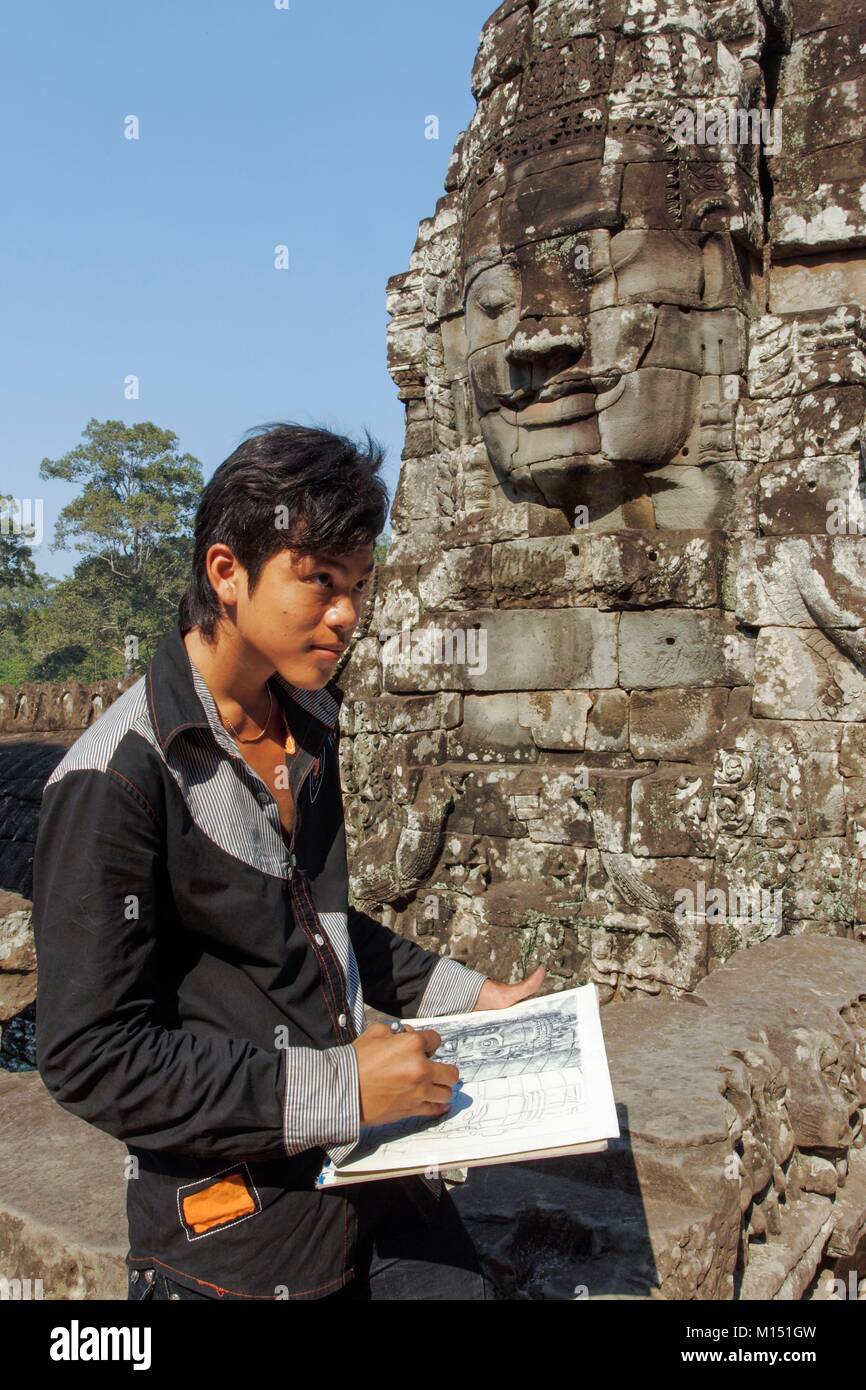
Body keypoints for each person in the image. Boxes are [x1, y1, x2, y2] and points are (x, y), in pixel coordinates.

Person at [32, 422, 545, 1301]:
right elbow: (90, 1055)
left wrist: (471, 998)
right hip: (235, 1233)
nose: (347, 614)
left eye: (356, 586)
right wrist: (339, 1089)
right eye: (318, 581)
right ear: (226, 573)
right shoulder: (117, 779)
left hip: (372, 1182)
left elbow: (309, 922)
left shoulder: (306, 720)